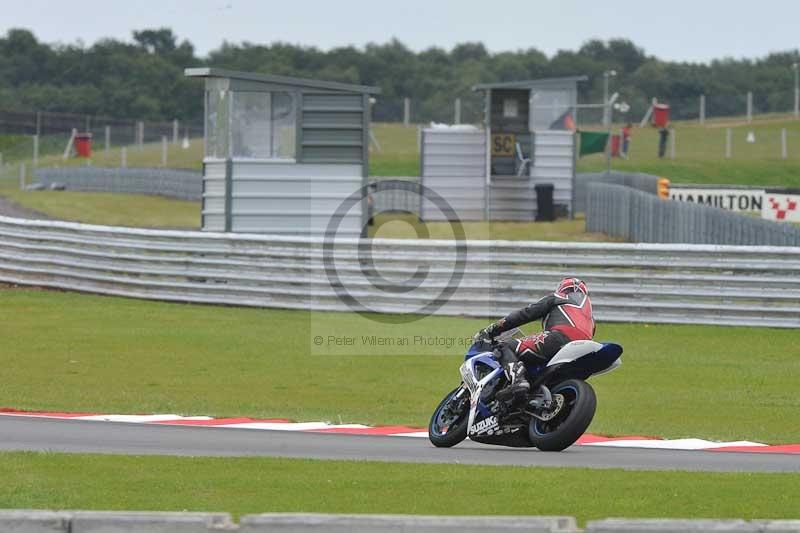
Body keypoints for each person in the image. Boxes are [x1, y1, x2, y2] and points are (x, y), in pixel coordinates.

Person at [472, 277, 595, 402]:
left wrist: (492, 329)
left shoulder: (560, 297)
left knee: (504, 347)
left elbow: (525, 314)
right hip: (583, 350)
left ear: (562, 287)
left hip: (558, 338)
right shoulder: (590, 317)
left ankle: (518, 381)